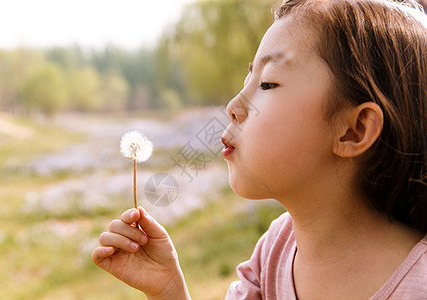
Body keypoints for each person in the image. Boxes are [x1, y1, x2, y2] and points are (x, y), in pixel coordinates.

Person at [91, 0, 427, 298]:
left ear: (354, 130)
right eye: (247, 81)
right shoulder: (274, 253)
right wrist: (168, 291)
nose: (233, 105)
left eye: (267, 83)